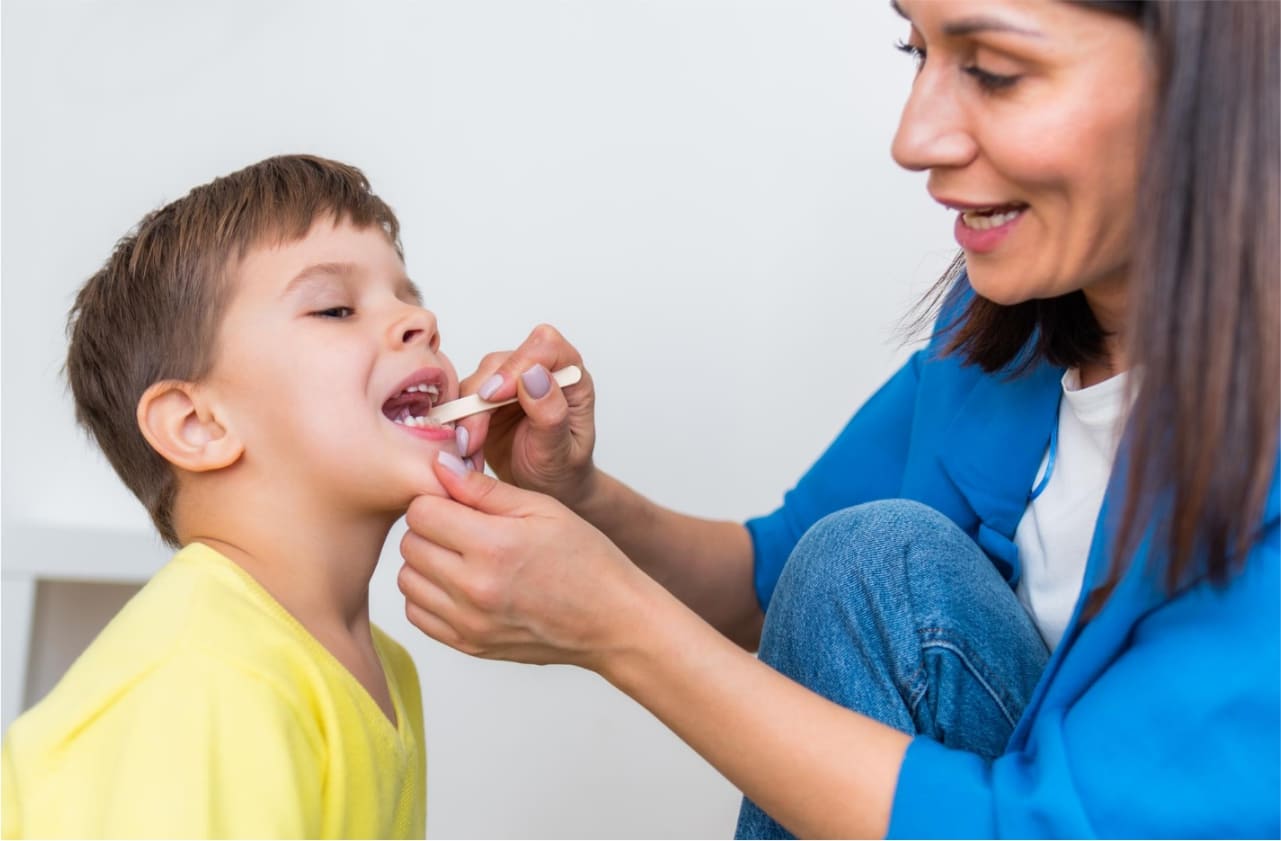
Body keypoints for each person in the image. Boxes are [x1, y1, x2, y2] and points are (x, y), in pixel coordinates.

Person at [397, 1, 1280, 837]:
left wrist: (617, 629)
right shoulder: (999, 346)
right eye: (917, 50)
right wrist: (574, 496)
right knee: (865, 563)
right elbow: (778, 583)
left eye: (997, 71)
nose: (911, 138)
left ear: (1217, 74)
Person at [1, 155, 451, 838]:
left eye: (406, 295)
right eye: (336, 308)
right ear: (198, 424)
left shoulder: (386, 669)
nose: (418, 321)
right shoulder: (204, 677)